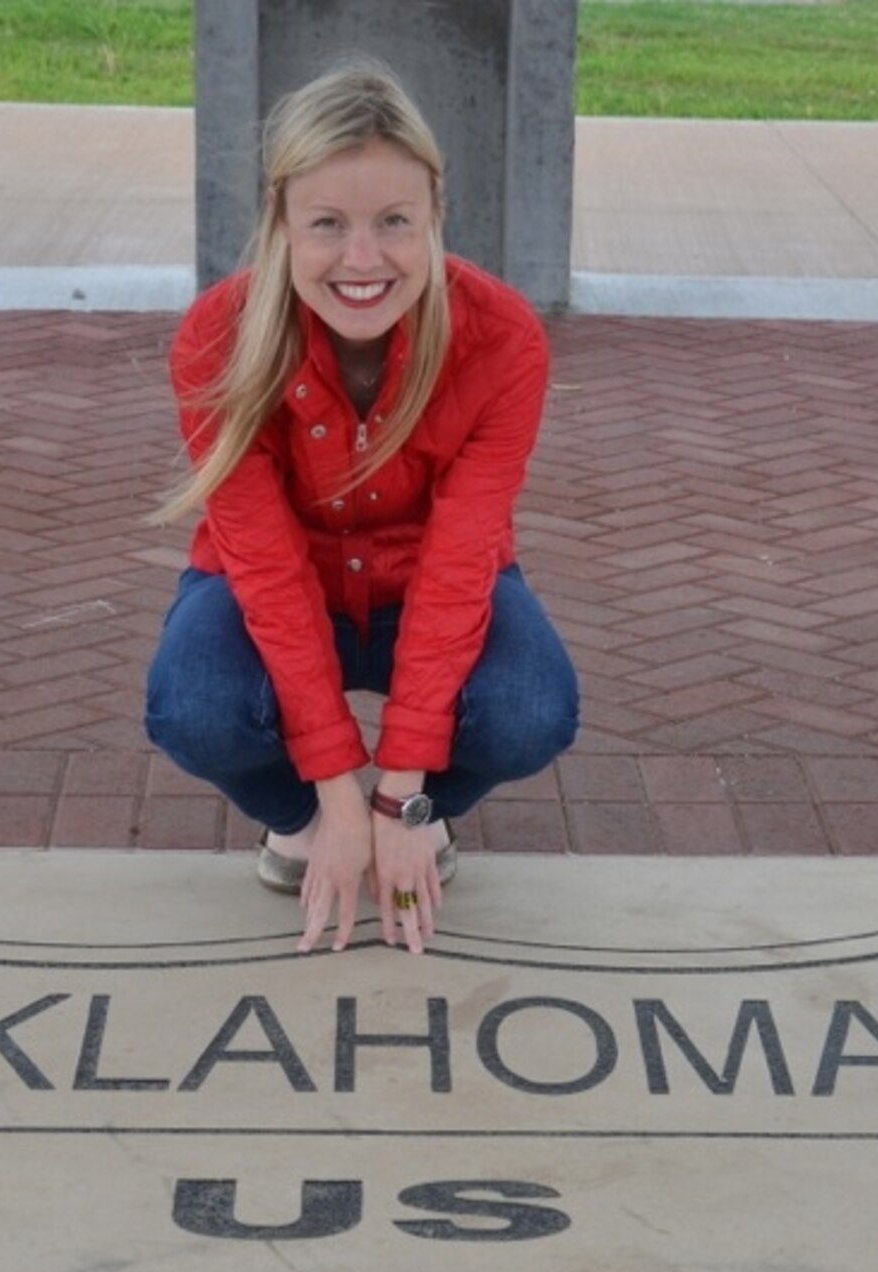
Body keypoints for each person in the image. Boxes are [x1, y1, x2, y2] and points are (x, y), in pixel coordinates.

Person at [146, 62, 581, 956]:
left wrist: (401, 795)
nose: (362, 259)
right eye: (328, 225)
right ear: (280, 223)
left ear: (434, 218)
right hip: (278, 588)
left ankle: (420, 824)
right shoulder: (215, 339)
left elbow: (463, 561)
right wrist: (339, 797)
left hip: (429, 586)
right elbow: (264, 568)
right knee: (193, 704)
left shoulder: (502, 340)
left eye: (394, 223)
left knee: (532, 708)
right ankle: (302, 826)